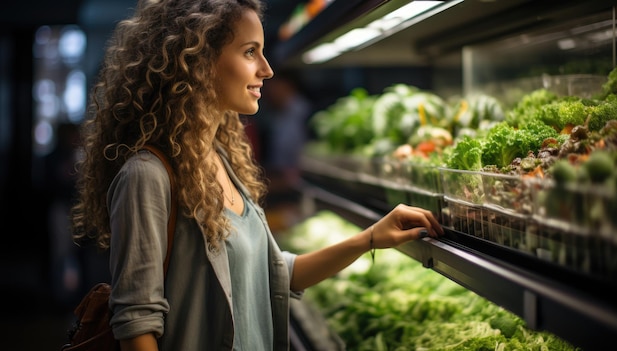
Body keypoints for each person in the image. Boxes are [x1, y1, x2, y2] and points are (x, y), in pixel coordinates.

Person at [69, 0, 444, 350]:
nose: (267, 69)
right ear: (198, 61)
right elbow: (137, 324)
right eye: (250, 52)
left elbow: (278, 274)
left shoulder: (218, 160)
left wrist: (371, 238)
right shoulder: (147, 176)